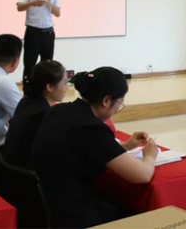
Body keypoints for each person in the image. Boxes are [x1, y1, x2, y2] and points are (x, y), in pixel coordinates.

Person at [29, 67, 157, 228]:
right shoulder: (90, 127)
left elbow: (90, 149)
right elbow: (142, 175)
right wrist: (150, 156)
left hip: (50, 204)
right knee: (143, 214)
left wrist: (127, 145)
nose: (118, 110)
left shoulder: (60, 110)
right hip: (74, 214)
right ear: (106, 100)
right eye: (120, 103)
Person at [2, 60, 68, 167]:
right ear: (50, 87)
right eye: (65, 82)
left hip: (10, 166)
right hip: (25, 172)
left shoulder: (26, 101)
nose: (67, 87)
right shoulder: (44, 114)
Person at [17, 0, 61, 85]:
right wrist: (31, 3)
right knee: (29, 64)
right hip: (33, 32)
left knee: (47, 65)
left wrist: (49, 3)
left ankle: (45, 92)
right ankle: (28, 91)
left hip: (48, 33)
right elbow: (19, 7)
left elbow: (58, 13)